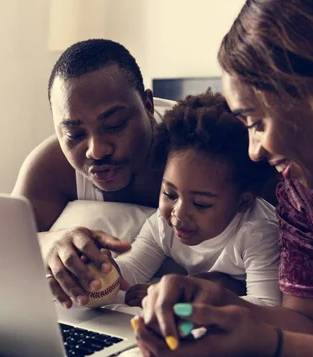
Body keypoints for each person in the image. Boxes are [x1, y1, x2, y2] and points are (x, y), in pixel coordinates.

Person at [132, 0, 313, 357]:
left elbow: (291, 340)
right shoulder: (306, 193)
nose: (253, 151)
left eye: (257, 123)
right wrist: (217, 303)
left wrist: (272, 346)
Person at [12, 39, 187, 308]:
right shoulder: (49, 167)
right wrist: (48, 242)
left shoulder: (202, 148)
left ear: (148, 105)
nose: (97, 149)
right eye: (74, 133)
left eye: (114, 125)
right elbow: (2, 245)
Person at [115, 92, 280, 311]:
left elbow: (268, 306)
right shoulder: (164, 225)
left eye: (201, 204)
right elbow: (131, 269)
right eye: (170, 194)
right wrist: (100, 270)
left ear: (243, 203)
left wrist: (188, 295)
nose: (179, 214)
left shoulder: (258, 232)